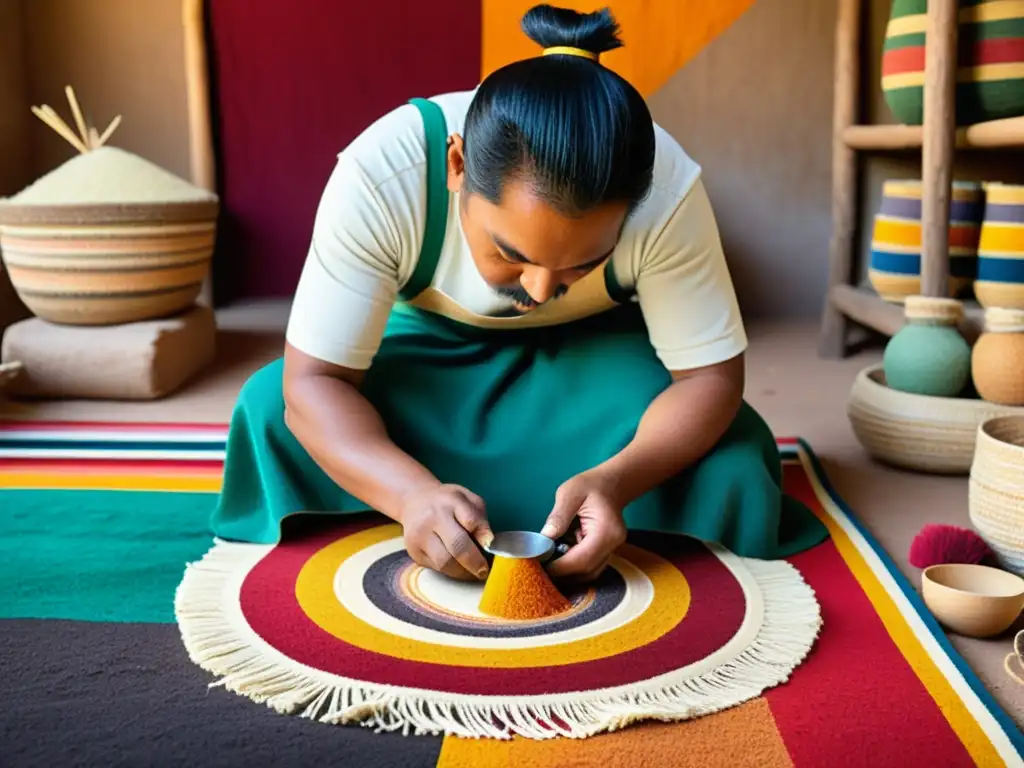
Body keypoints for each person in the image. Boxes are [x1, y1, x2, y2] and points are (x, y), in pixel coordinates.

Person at [211, 4, 827, 584]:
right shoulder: (383, 173)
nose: (538, 291)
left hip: (592, 362)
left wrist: (615, 480)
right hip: (427, 355)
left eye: (584, 264)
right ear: (456, 168)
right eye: (511, 253)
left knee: (735, 449)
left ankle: (554, 494)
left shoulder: (665, 190)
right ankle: (451, 495)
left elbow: (710, 380)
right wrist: (408, 494)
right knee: (273, 408)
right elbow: (316, 381)